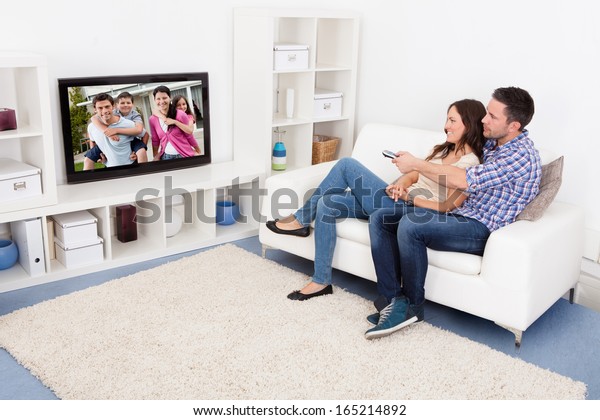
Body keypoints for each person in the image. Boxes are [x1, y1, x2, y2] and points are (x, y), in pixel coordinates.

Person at [365, 86, 542, 340]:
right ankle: (393, 301)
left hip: (480, 228)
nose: (484, 119)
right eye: (486, 113)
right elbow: (464, 146)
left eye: (492, 116)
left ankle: (413, 307)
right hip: (459, 214)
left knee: (412, 225)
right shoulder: (495, 142)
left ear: (514, 125)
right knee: (382, 218)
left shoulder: (520, 157)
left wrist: (416, 164)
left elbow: (463, 180)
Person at [266, 99, 487, 301]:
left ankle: (301, 219)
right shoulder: (441, 150)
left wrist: (409, 196)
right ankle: (320, 281)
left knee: (346, 165)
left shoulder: (470, 164)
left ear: (469, 123)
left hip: (409, 210)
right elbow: (415, 174)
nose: (446, 125)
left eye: (452, 120)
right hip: (397, 199)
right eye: (447, 119)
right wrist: (401, 183)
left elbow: (446, 207)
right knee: (328, 203)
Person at [85, 92, 149, 169]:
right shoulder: (92, 126)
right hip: (109, 167)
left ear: (113, 106)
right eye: (100, 108)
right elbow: (92, 141)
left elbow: (141, 131)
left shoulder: (132, 121)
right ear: (95, 109)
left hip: (130, 164)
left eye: (107, 106)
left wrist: (116, 130)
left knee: (141, 151)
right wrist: (99, 156)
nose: (105, 111)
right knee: (87, 161)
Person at [149, 86, 201, 160]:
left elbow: (189, 135)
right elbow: (155, 139)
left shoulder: (180, 114)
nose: (161, 101)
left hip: (184, 155)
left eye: (164, 98)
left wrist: (198, 150)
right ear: (154, 100)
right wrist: (155, 155)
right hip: (166, 157)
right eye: (158, 99)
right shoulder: (152, 119)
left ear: (170, 98)